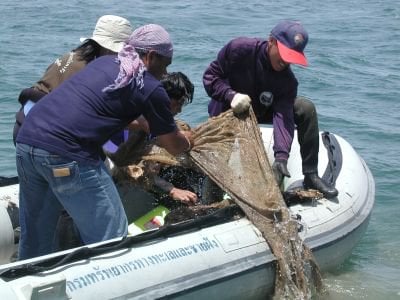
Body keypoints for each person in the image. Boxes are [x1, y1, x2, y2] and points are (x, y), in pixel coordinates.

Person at [15, 24, 193, 260]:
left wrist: (147, 125)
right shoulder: (150, 86)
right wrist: (188, 140)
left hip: (27, 142)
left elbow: (100, 109)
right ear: (151, 56)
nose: (164, 73)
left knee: (36, 237)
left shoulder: (103, 64)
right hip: (67, 153)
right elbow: (173, 145)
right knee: (112, 237)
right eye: (165, 64)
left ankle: (30, 285)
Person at [203, 20, 338, 199]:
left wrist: (281, 156)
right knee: (217, 165)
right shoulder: (240, 49)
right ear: (271, 41)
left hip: (262, 110)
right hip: (228, 110)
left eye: (291, 57)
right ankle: (210, 201)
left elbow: (283, 117)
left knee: (305, 108)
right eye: (283, 54)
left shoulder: (288, 82)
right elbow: (211, 77)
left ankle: (310, 175)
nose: (285, 61)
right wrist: (230, 95)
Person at [13, 15, 133, 144]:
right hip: (43, 132)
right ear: (109, 49)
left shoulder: (75, 56)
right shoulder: (93, 71)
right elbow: (99, 115)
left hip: (25, 125)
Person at [104, 71, 199, 205]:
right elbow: (112, 157)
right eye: (178, 103)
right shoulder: (132, 124)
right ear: (163, 98)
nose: (180, 110)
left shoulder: (153, 117)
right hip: (111, 171)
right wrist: (171, 190)